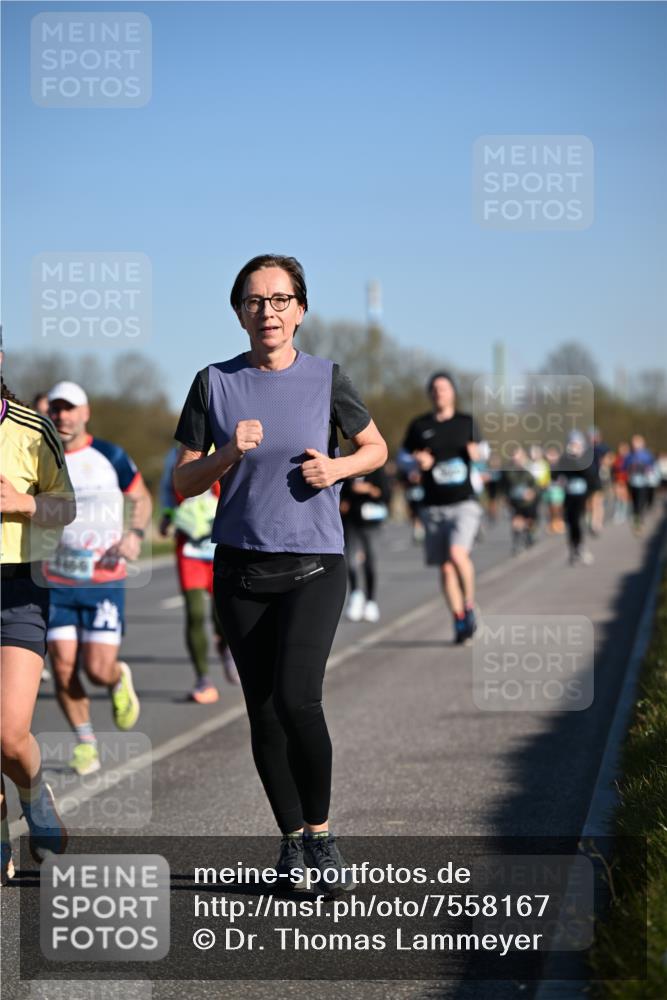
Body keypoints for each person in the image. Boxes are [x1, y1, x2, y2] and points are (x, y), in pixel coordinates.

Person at [173, 255, 387, 892]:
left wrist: (339, 470)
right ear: (238, 311)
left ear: (300, 309)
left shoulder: (329, 379)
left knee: (298, 698)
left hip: (315, 564)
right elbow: (181, 482)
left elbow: (375, 447)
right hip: (240, 567)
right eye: (253, 300)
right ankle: (291, 840)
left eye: (279, 299)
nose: (267, 311)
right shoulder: (212, 383)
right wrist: (227, 453)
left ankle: (321, 836)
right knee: (262, 712)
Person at [45, 382, 151, 776]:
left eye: (70, 409)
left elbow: (141, 498)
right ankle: (85, 742)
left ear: (85, 412)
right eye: (56, 409)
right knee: (62, 667)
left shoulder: (110, 455)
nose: (63, 416)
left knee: (96, 669)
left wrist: (135, 534)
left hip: (104, 578)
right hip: (55, 580)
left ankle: (117, 675)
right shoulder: (42, 459)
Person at [1, 356, 76, 884]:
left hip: (16, 588)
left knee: (8, 734)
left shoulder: (32, 429)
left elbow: (66, 509)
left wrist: (22, 502)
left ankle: (34, 798)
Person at [402, 372, 483, 645]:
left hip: (464, 503)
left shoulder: (466, 422)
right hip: (433, 506)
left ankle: (470, 605)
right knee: (446, 569)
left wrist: (478, 455)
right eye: (435, 389)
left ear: (453, 393)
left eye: (444, 388)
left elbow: (485, 452)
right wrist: (416, 461)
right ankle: (459, 618)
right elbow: (402, 457)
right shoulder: (419, 426)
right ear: (430, 394)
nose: (440, 393)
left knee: (457, 554)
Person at [158, 445, 239, 702]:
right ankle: (203, 679)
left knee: (223, 614)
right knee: (193, 612)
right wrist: (169, 515)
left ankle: (226, 647)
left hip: (220, 542)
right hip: (189, 545)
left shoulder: (228, 446)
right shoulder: (176, 453)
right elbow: (166, 489)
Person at [340, 466, 391, 623]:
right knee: (351, 561)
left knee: (370, 561)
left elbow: (385, 495)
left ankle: (370, 601)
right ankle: (355, 594)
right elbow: (342, 492)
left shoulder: (377, 470)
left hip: (370, 522)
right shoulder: (349, 467)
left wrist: (368, 489)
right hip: (351, 521)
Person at [555, 431, 598, 566]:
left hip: (583, 497)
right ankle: (573, 549)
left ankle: (581, 547)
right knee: (570, 522)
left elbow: (590, 476)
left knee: (579, 522)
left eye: (576, 444)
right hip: (569, 496)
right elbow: (556, 475)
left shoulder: (586, 458)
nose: (574, 446)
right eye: (572, 444)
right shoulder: (564, 459)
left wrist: (578, 458)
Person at [501, 446, 540, 554]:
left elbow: (537, 484)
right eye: (514, 455)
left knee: (529, 521)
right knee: (516, 521)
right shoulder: (507, 470)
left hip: (529, 502)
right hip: (515, 501)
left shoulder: (530, 468)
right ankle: (516, 544)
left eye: (518, 455)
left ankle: (529, 535)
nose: (516, 458)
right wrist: (506, 499)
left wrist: (532, 492)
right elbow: (504, 486)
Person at [623, 435, 655, 535]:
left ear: (642, 444)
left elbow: (652, 467)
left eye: (637, 443)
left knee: (641, 503)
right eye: (634, 443)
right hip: (632, 483)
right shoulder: (629, 456)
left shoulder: (647, 455)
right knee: (634, 503)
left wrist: (647, 470)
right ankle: (637, 519)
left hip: (644, 483)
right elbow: (624, 467)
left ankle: (639, 522)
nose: (635, 445)